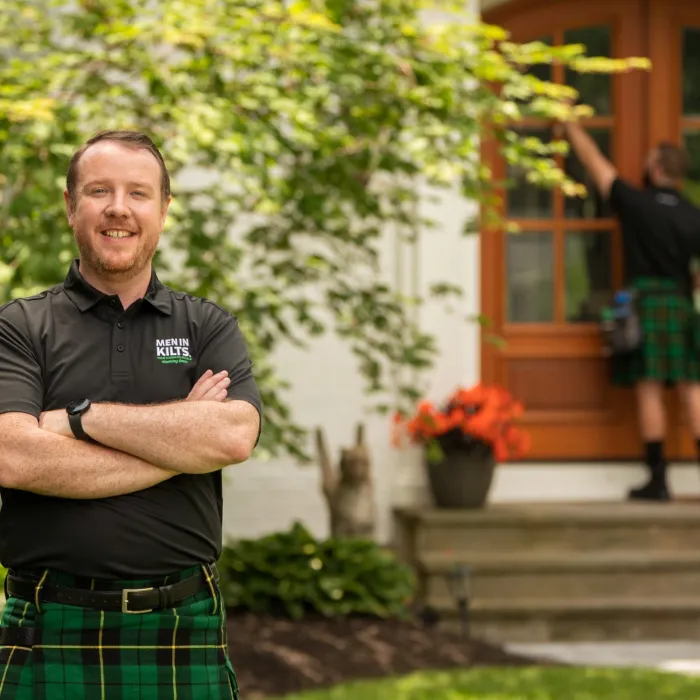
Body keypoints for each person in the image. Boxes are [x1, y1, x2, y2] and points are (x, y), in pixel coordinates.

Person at [0, 130, 262, 699]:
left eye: (138, 193)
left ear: (164, 211)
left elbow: (234, 435)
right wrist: (177, 448)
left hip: (182, 626)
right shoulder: (20, 328)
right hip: (48, 624)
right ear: (71, 206)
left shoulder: (206, 327)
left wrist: (78, 419)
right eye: (99, 191)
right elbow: (14, 456)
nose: (119, 208)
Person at [560, 118, 700, 502]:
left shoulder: (636, 202)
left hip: (646, 303)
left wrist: (570, 126)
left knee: (650, 389)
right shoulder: (694, 215)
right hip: (680, 303)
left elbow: (596, 164)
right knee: (693, 389)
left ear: (655, 169)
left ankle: (657, 481)